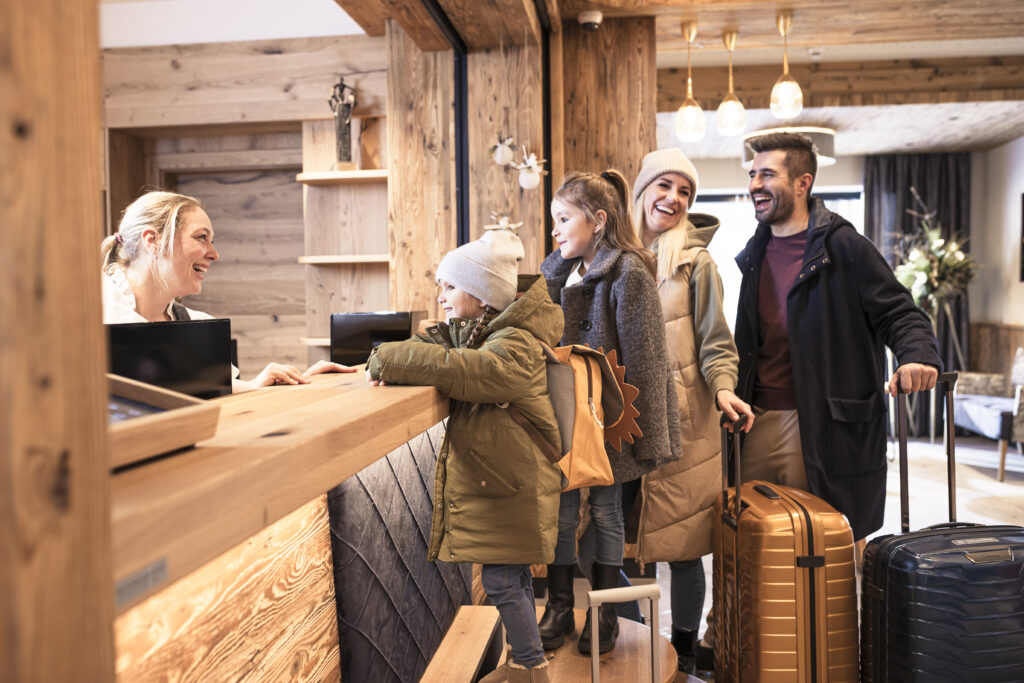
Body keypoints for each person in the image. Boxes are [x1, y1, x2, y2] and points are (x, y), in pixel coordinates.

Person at [366, 226, 561, 683]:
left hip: (514, 485)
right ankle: (526, 665)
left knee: (502, 581)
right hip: (507, 481)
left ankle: (530, 669)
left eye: (450, 286)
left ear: (482, 293)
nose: (441, 297)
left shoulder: (514, 343)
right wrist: (390, 356)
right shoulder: (480, 330)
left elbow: (465, 369)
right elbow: (432, 344)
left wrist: (385, 359)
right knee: (508, 580)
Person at [733, 131, 940, 550]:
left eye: (767, 174)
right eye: (753, 174)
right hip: (756, 422)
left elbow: (901, 313)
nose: (755, 184)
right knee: (754, 546)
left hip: (823, 425)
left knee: (830, 551)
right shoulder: (755, 253)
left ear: (802, 183)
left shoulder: (845, 247)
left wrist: (917, 356)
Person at [538, 170, 681, 655]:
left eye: (563, 219)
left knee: (604, 512)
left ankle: (604, 613)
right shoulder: (557, 274)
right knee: (559, 513)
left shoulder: (629, 273)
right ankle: (558, 606)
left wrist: (646, 435)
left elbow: (646, 358)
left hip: (608, 419)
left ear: (597, 221)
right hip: (562, 415)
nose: (555, 230)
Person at [629, 148, 755, 674]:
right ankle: (636, 646)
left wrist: (724, 388)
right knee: (629, 546)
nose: (674, 199)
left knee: (683, 544)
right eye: (665, 187)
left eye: (685, 191)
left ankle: (682, 651)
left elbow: (715, 342)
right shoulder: (618, 258)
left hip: (685, 423)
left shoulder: (696, 263)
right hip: (626, 422)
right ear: (642, 193)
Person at [101, 191, 351, 393]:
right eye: (201, 238)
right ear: (152, 240)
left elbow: (220, 394)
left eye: (212, 241)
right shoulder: (91, 310)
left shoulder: (198, 328)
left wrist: (297, 384)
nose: (214, 253)